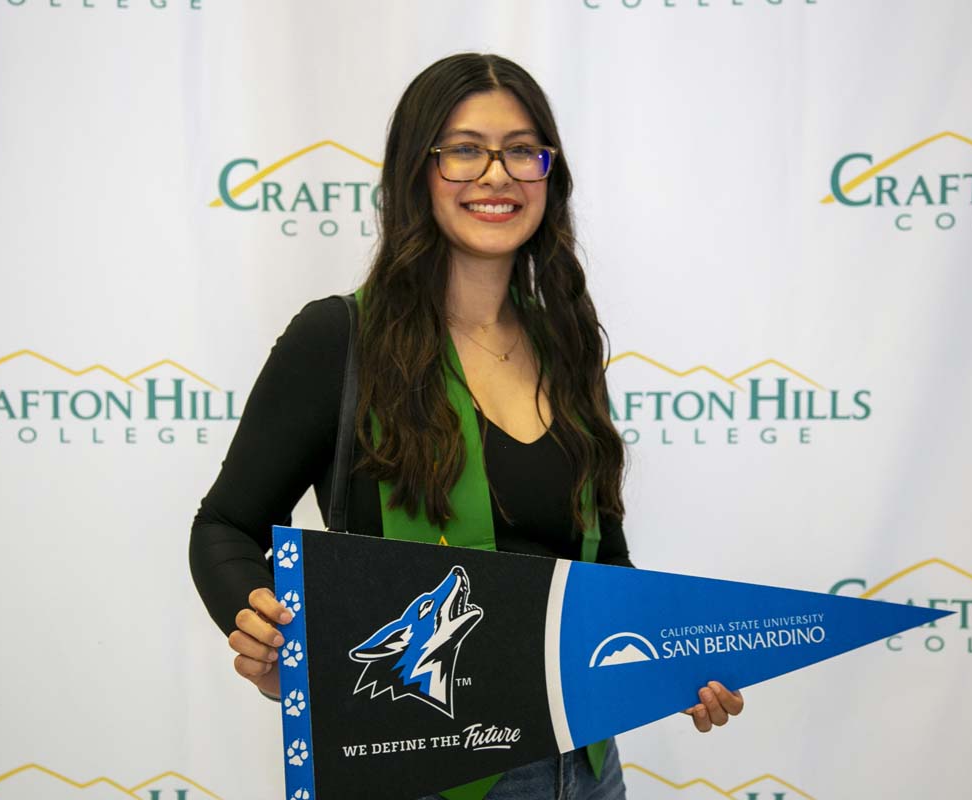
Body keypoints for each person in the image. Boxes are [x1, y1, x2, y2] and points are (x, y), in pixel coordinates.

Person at [189, 52, 743, 800]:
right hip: (416, 765)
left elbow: (602, 565)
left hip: (584, 767)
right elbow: (225, 524)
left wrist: (674, 659)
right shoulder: (339, 338)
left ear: (550, 173)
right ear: (417, 172)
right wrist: (267, 629)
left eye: (521, 150)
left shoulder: (567, 347)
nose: (497, 174)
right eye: (464, 150)